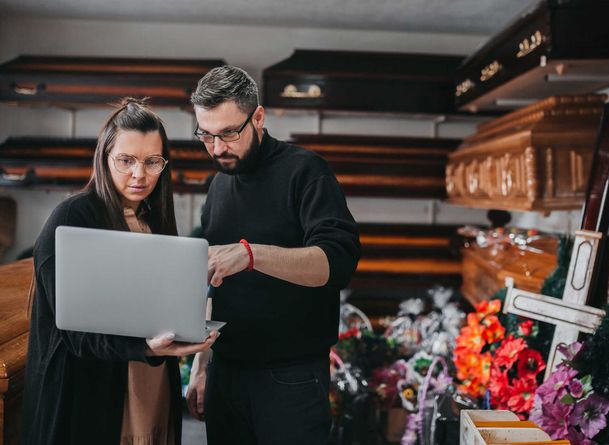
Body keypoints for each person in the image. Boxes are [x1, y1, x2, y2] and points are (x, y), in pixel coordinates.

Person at [21, 98, 218, 445]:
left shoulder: (154, 219)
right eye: (126, 160)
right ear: (105, 158)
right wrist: (145, 346)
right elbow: (72, 331)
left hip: (150, 386)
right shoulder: (71, 218)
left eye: (152, 162)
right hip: (90, 395)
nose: (139, 174)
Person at [185, 66, 361, 445]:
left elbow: (337, 263)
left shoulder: (306, 172)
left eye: (229, 133)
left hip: (290, 378)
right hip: (225, 372)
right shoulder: (217, 184)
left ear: (258, 117)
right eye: (206, 135)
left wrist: (251, 255)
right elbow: (211, 285)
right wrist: (201, 366)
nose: (217, 149)